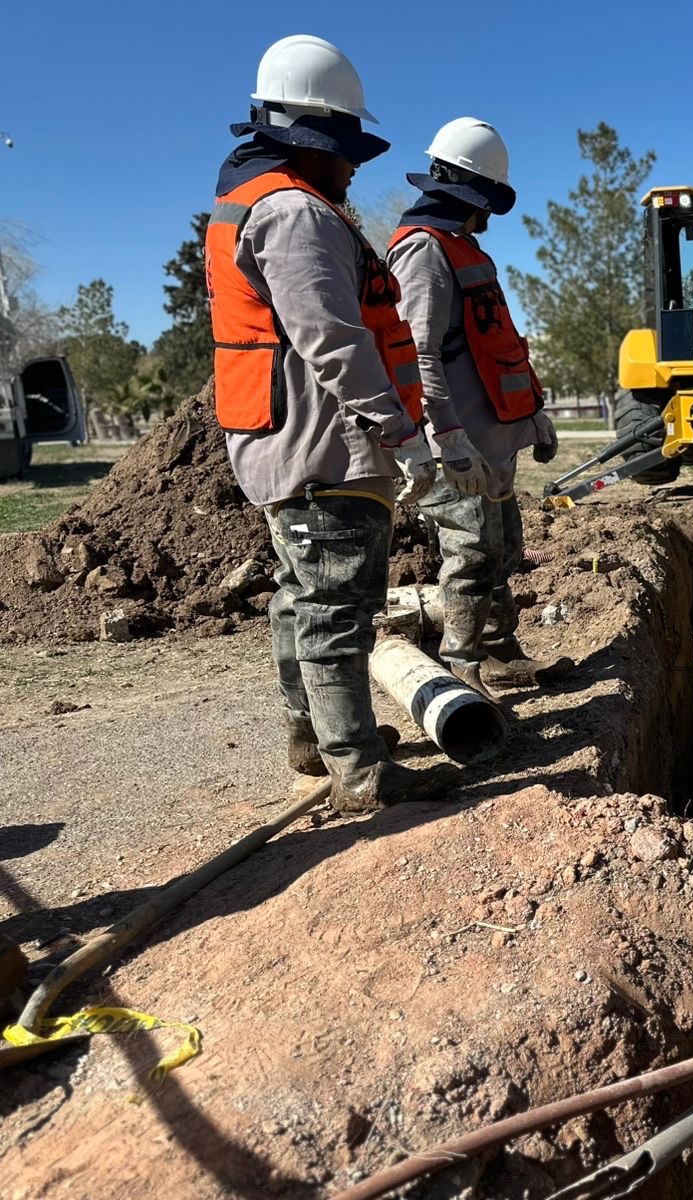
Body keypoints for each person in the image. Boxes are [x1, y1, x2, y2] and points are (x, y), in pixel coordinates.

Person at [206, 34, 457, 813]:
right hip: (325, 445)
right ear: (307, 142)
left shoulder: (258, 202)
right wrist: (399, 431)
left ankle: (315, 744)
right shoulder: (294, 214)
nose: (352, 167)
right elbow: (334, 339)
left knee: (300, 600)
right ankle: (360, 771)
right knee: (335, 610)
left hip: (288, 439)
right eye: (343, 150)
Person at [386, 118, 563, 696]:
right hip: (456, 448)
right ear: (471, 196)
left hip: (493, 443)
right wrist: (450, 439)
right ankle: (461, 669)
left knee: (503, 549)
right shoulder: (422, 253)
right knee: (471, 555)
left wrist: (533, 414)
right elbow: (419, 355)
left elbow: (502, 343)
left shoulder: (465, 250)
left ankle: (500, 651)